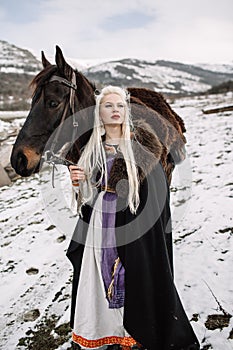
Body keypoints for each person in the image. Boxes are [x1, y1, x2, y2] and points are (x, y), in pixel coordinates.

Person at [67, 86, 200, 350]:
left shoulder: (141, 144)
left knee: (134, 274)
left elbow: (155, 187)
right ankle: (108, 330)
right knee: (100, 277)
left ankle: (135, 331)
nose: (115, 110)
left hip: (135, 225)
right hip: (101, 225)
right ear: (98, 111)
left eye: (120, 106)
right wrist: (78, 183)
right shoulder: (92, 147)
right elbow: (87, 195)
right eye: (108, 106)